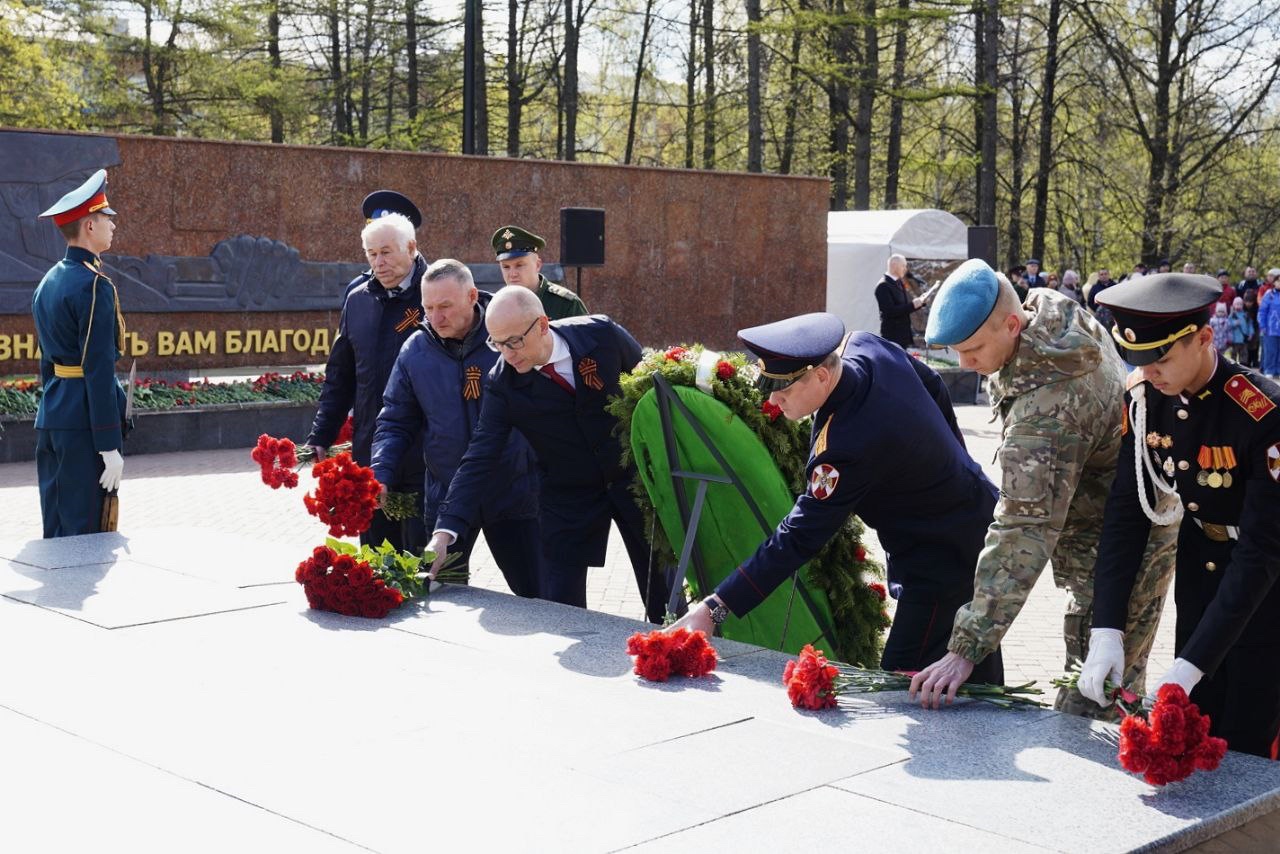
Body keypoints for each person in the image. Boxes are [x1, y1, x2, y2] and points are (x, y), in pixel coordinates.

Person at [667, 312, 1004, 684]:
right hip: (973, 514)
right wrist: (955, 465)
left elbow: (798, 537)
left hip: (943, 557)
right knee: (970, 673)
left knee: (903, 683)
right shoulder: (865, 346)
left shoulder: (846, 446)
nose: (774, 401)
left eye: (783, 390)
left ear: (821, 375)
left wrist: (715, 609)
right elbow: (934, 384)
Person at [907, 260, 1177, 712]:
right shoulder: (1049, 314)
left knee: (1094, 705)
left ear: (1012, 324)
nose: (965, 363)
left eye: (972, 349)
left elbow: (1022, 530)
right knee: (1104, 692)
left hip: (1120, 556)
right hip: (1118, 535)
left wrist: (965, 648)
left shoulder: (1048, 411)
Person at [1078, 273, 1280, 758]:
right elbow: (1127, 514)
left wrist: (1191, 665)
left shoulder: (1262, 412)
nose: (1149, 373)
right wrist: (1106, 630)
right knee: (1198, 734)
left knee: (1251, 744)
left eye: (1162, 359)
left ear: (1205, 338)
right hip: (1200, 568)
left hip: (1266, 588)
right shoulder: (1146, 401)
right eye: (1139, 361)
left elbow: (1259, 551)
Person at [426, 286, 668, 622]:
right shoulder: (503, 383)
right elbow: (479, 457)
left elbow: (656, 390)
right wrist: (445, 532)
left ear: (542, 324)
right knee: (560, 609)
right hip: (567, 496)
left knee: (665, 599)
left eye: (514, 341)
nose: (507, 354)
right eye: (497, 343)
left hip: (634, 483)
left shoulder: (602, 336)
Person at [371, 260, 541, 597]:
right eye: (429, 308)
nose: (436, 317)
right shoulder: (414, 351)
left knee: (540, 597)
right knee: (435, 597)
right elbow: (394, 419)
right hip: (446, 496)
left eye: (445, 306)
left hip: (514, 495)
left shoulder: (508, 335)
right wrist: (381, 470)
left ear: (472, 296)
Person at [306, 212, 428, 553]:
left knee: (428, 566)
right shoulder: (357, 299)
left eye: (387, 252)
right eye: (372, 254)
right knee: (377, 556)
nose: (379, 262)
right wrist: (322, 434)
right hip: (370, 451)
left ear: (412, 247)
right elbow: (340, 376)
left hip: (427, 454)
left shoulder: (437, 293)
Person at [32, 169, 128, 538]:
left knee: (55, 533)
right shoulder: (94, 286)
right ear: (89, 225)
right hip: (84, 427)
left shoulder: (48, 281)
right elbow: (99, 369)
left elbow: (47, 362)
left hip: (53, 418)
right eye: (106, 219)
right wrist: (109, 445)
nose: (112, 226)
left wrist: (53, 407)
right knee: (84, 537)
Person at [492, 225, 588, 320]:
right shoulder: (496, 306)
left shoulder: (566, 305)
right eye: (506, 267)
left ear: (537, 265)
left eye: (519, 265)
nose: (512, 274)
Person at [873, 253, 925, 349]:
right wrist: (913, 305)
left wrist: (920, 303)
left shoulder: (899, 281)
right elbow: (890, 311)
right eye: (903, 266)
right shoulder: (883, 285)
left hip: (903, 334)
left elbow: (903, 306)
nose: (905, 269)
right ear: (894, 266)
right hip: (892, 335)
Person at [1259, 278, 1280, 378]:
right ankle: (1269, 370)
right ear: (1274, 282)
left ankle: (1278, 370)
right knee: (1270, 350)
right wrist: (1262, 325)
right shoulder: (1269, 295)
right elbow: (1262, 311)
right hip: (1270, 329)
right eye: (1279, 281)